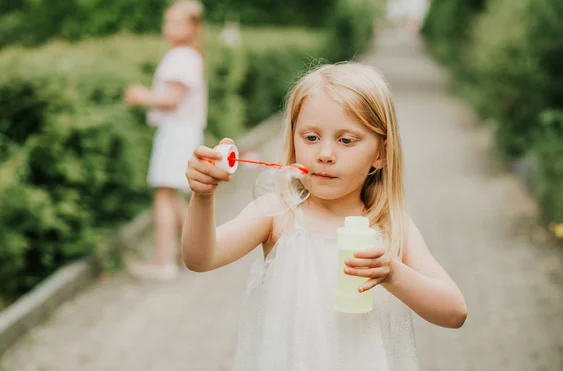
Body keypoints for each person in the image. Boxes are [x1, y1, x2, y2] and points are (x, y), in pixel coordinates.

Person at [182, 63, 467, 369]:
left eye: (346, 140)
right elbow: (201, 258)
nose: (325, 154)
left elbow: (454, 312)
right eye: (311, 138)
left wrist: (393, 274)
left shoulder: (390, 226)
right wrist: (203, 197)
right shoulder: (279, 213)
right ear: (293, 139)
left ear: (381, 153)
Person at [124, 0, 207, 281]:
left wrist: (139, 96)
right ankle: (196, 251)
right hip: (184, 130)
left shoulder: (181, 57)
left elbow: (172, 100)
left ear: (193, 26)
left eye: (176, 22)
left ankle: (164, 263)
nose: (168, 27)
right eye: (167, 21)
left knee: (164, 193)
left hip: (177, 130)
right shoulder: (189, 55)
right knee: (172, 196)